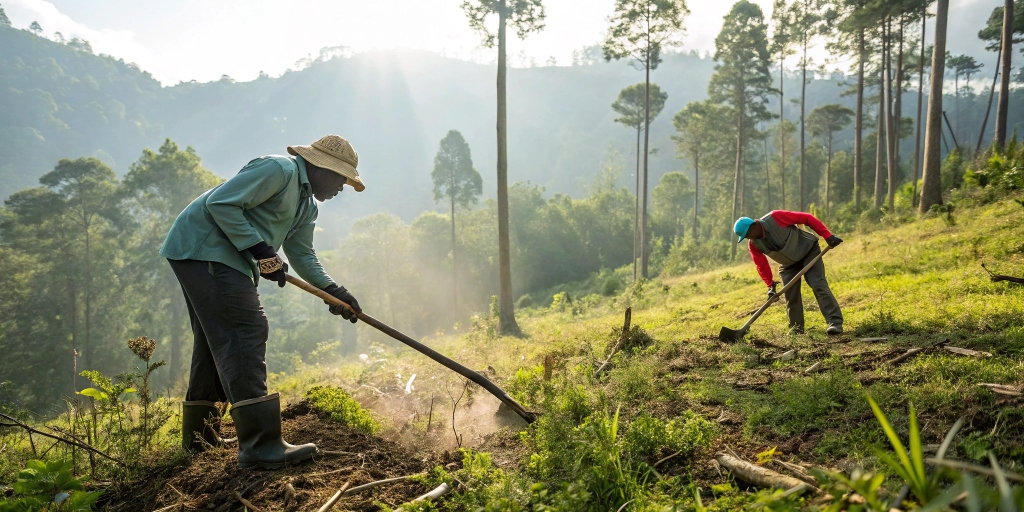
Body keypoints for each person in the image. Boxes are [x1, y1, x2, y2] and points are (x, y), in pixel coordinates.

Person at [160, 134, 365, 469]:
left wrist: (333, 291)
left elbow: (301, 253)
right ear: (322, 168)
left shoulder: (306, 204)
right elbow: (221, 203)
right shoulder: (279, 169)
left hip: (221, 258)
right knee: (246, 329)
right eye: (341, 179)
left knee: (215, 340)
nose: (341, 187)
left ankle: (201, 438)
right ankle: (261, 446)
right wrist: (262, 251)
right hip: (205, 249)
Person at [734, 210, 844, 335]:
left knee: (818, 284)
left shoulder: (775, 217)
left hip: (809, 252)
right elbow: (761, 265)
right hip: (788, 264)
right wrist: (770, 285)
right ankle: (796, 328)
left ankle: (834, 322)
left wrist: (827, 236)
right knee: (790, 294)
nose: (748, 238)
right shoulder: (754, 244)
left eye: (747, 234)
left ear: (754, 226)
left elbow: (807, 218)